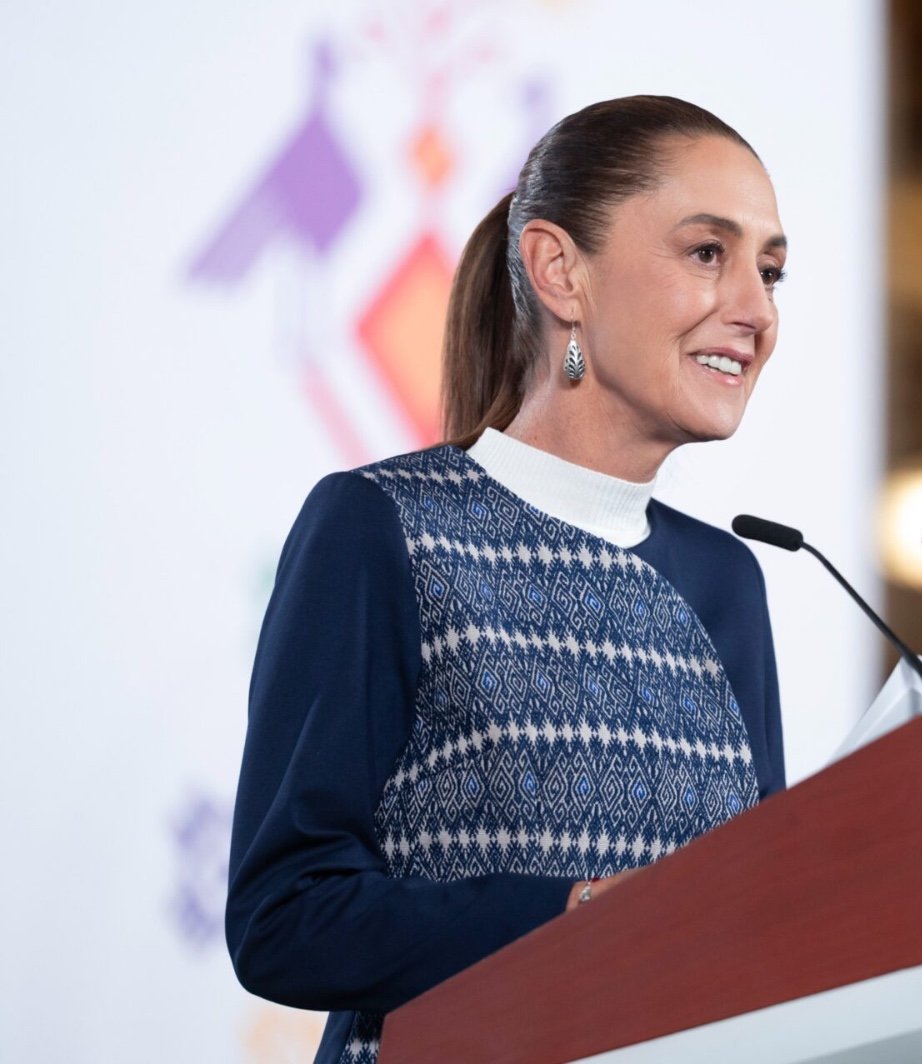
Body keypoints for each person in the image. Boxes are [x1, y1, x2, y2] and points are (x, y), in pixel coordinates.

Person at [226, 96, 789, 1064]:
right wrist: (573, 915)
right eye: (708, 253)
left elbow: (760, 919)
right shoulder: (383, 526)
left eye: (770, 271)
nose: (757, 311)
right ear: (559, 270)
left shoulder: (726, 580)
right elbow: (286, 914)